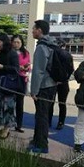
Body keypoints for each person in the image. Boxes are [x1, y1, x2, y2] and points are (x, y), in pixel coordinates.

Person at [28, 20, 57, 154]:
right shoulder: (53, 43)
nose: (32, 31)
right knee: (44, 115)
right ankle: (37, 140)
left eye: (34, 28)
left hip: (43, 87)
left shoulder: (41, 47)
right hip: (52, 84)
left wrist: (34, 91)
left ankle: (41, 145)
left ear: (39, 30)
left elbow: (38, 71)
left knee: (41, 116)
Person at [48, 40, 74, 130]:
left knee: (51, 102)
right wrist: (65, 79)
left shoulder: (52, 54)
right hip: (64, 82)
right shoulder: (68, 55)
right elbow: (71, 70)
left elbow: (48, 68)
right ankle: (61, 122)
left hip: (53, 81)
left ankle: (48, 121)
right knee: (62, 103)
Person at [11, 35, 31, 132]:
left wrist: (26, 68)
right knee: (9, 102)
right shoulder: (9, 52)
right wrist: (19, 67)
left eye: (18, 42)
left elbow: (29, 66)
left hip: (22, 79)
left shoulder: (25, 53)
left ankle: (19, 124)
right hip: (11, 78)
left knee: (20, 103)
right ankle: (8, 123)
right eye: (14, 42)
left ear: (22, 43)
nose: (16, 44)